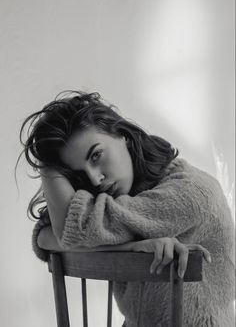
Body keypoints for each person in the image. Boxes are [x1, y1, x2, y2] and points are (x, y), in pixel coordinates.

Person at [17, 90, 235, 326]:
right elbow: (45, 238)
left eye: (96, 155)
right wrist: (132, 246)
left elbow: (76, 230)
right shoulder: (124, 206)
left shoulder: (191, 193)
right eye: (79, 174)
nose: (94, 179)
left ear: (124, 136)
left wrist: (47, 169)